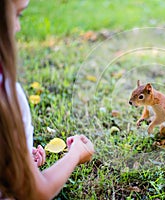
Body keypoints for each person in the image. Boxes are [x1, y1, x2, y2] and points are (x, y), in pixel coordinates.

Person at [0, 0, 95, 199]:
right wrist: (75, 154)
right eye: (17, 15)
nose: (18, 27)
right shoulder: (8, 95)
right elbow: (35, 191)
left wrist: (18, 157)